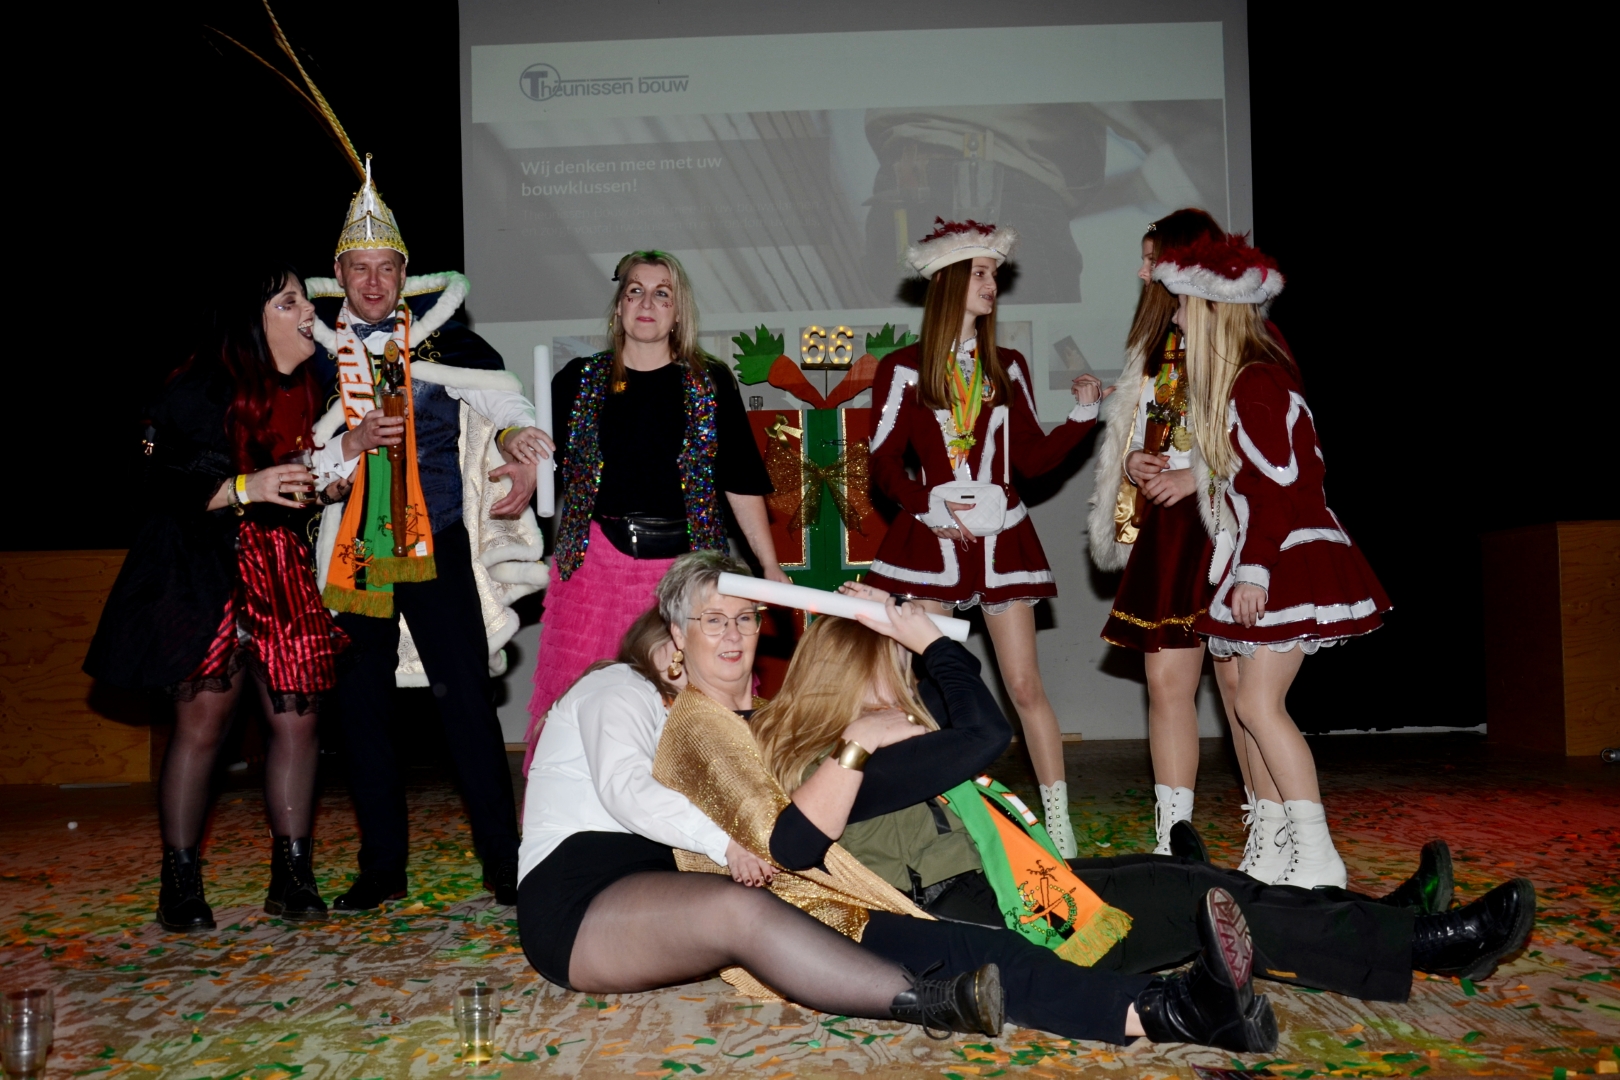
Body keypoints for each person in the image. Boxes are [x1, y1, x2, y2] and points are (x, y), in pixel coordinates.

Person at [746, 596, 1538, 999]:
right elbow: (983, 733)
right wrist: (929, 644)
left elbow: (965, 734)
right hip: (996, 919)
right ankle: (1421, 944)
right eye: (896, 670)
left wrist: (913, 643)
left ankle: (1389, 924)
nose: (912, 685)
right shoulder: (843, 766)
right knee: (1194, 898)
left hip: (1007, 894)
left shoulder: (852, 758)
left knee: (1194, 882)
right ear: (850, 680)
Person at [640, 554, 1278, 1051]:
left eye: (745, 618)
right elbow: (785, 841)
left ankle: (1202, 960)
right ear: (676, 636)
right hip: (828, 920)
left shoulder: (763, 716)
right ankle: (1177, 1007)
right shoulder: (699, 725)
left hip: (856, 900)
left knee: (1148, 892)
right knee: (999, 958)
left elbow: (951, 728)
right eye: (713, 620)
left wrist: (909, 633)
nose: (734, 634)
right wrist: (856, 741)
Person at [307, 158, 551, 910]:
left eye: (387, 268)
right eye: (360, 268)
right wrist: (341, 452)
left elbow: (505, 404)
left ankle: (504, 860)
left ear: (405, 275)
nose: (373, 282)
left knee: (467, 703)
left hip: (436, 538)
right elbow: (297, 465)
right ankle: (382, 867)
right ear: (339, 275)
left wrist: (519, 445)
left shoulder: (446, 346)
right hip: (355, 552)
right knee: (362, 709)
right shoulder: (316, 359)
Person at [86, 263, 349, 931]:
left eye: (304, 300)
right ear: (251, 321)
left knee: (298, 722)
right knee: (204, 723)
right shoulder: (200, 388)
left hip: (279, 563)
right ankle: (179, 883)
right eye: (289, 302)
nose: (308, 312)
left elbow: (291, 479)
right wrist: (243, 488)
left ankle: (292, 876)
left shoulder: (309, 385)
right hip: (206, 566)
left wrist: (324, 486)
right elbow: (150, 481)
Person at [863, 219, 1109, 858]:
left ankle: (1059, 825)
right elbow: (882, 461)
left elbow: (1030, 458)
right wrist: (926, 505)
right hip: (932, 543)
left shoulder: (1009, 367)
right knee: (930, 690)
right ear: (949, 281)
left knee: (1025, 686)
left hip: (1004, 542)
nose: (992, 284)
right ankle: (940, 817)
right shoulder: (902, 368)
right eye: (979, 273)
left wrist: (1082, 415)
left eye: (994, 273)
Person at [1155, 234, 1390, 888]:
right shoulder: (1240, 382)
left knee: (1259, 706)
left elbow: (1281, 488)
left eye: (1182, 304)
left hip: (1286, 555)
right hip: (1259, 550)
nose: (1175, 318)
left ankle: (1317, 855)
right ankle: (1274, 847)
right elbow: (1243, 482)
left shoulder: (1256, 381)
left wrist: (1254, 568)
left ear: (1212, 309)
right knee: (1243, 705)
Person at [525, 251, 783, 766]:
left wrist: (769, 566)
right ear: (619, 307)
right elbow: (539, 469)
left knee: (696, 713)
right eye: (635, 291)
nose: (647, 302)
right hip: (595, 571)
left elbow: (740, 481)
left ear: (677, 311)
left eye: (662, 293)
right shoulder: (578, 380)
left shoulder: (710, 382)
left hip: (687, 572)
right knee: (583, 710)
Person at [1088, 208, 1234, 855]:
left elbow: (1256, 439)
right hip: (1167, 531)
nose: (1142, 271)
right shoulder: (1151, 341)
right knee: (1166, 685)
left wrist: (1196, 475)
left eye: (1152, 259)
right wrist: (1132, 463)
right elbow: (1140, 426)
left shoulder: (1232, 334)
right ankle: (1173, 837)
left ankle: (1275, 827)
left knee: (1238, 690)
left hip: (1221, 526)